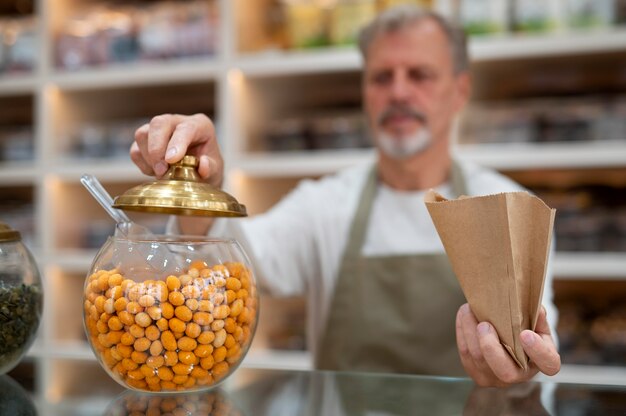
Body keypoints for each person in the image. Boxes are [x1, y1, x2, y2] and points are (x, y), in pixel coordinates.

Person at [129, 5, 561, 387]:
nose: (398, 92)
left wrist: (522, 365)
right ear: (365, 93)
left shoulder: (509, 210)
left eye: (420, 75)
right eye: (381, 77)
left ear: (460, 91)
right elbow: (228, 267)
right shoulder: (324, 205)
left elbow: (538, 339)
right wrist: (196, 188)